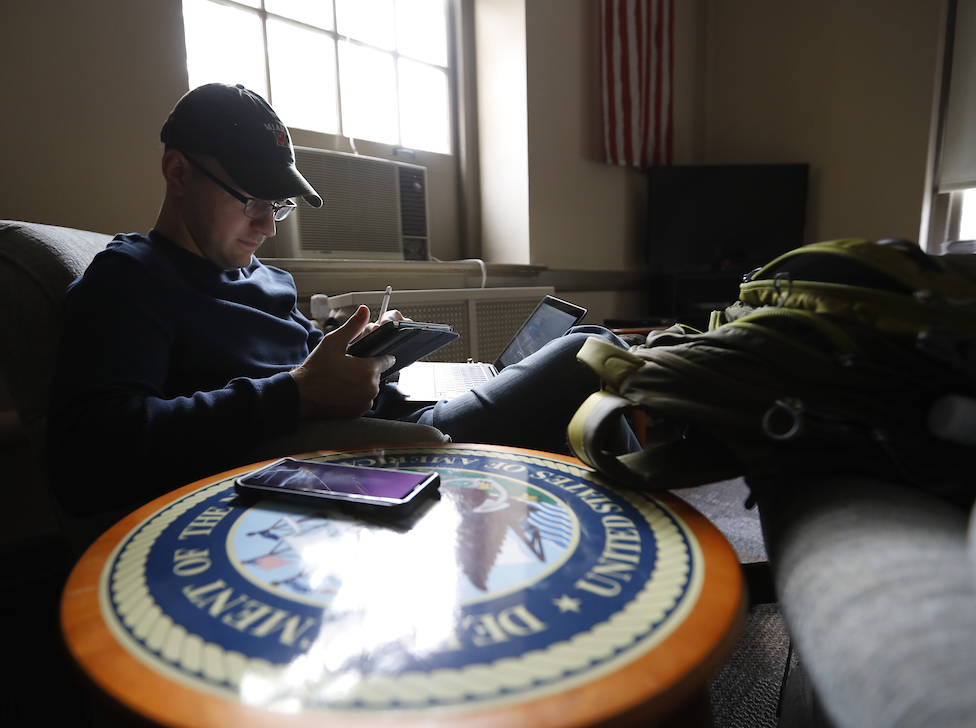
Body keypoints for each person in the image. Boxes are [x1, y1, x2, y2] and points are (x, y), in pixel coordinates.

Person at [47, 83, 638, 517]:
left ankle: (641, 529)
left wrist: (368, 354)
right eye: (253, 200)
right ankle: (673, 529)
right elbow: (89, 450)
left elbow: (319, 368)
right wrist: (296, 394)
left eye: (279, 206)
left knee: (588, 369)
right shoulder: (129, 281)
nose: (268, 225)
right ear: (178, 172)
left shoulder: (269, 282)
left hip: (394, 415)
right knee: (587, 352)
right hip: (381, 452)